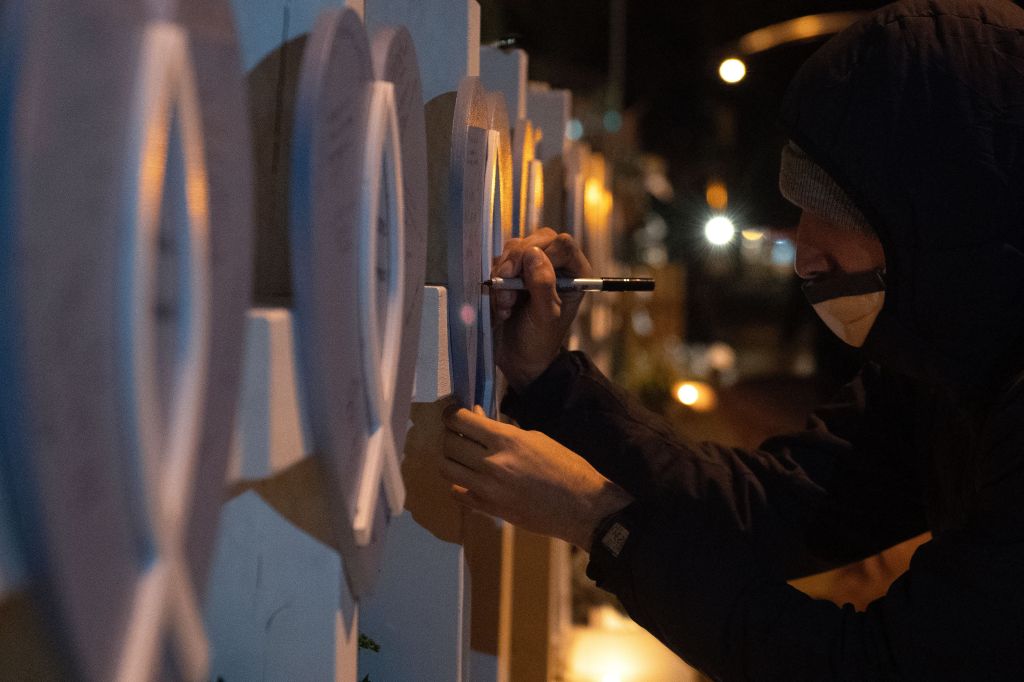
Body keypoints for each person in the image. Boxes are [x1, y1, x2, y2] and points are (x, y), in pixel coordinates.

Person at [440, 0, 1024, 678]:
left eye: (833, 208)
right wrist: (550, 382)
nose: (804, 254)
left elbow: (874, 666)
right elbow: (778, 508)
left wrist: (599, 524)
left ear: (940, 210)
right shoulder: (948, 356)